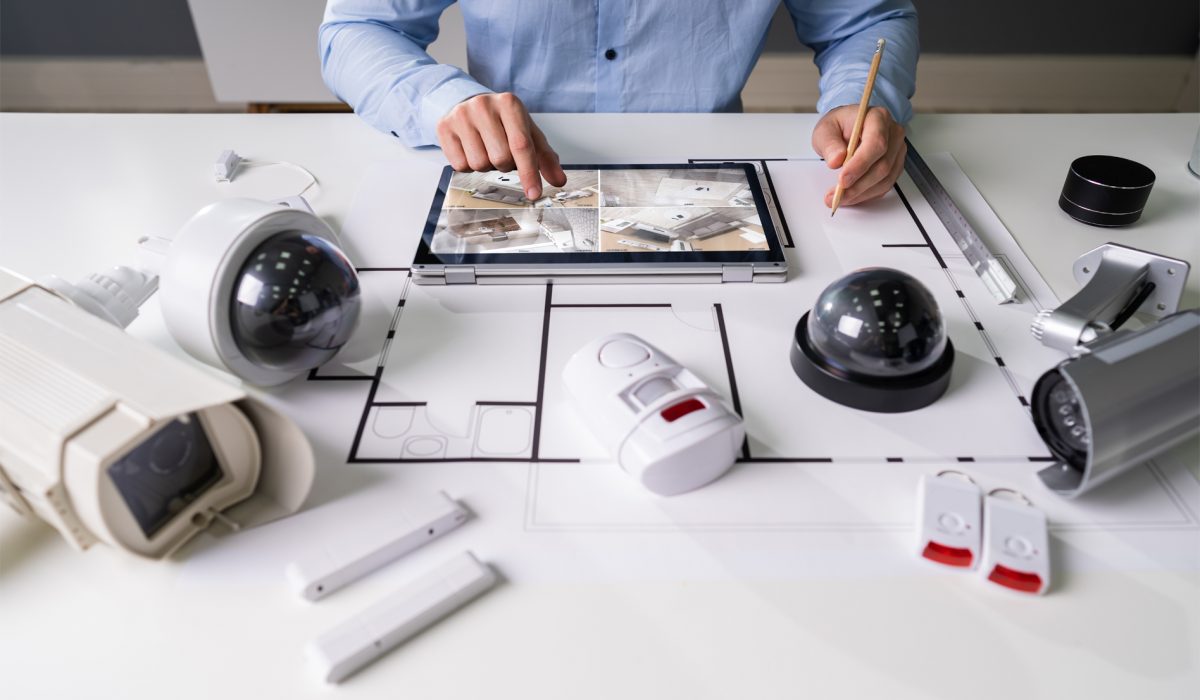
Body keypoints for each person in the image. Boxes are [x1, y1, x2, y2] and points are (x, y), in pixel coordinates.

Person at [320, 1, 917, 208]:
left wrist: (858, 100)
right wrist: (441, 99)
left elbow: (867, 21)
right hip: (503, 175)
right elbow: (357, 26)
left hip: (708, 181)